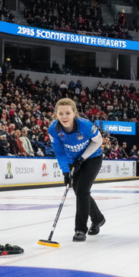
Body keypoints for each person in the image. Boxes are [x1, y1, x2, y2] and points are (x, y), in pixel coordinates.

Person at [48, 98, 106, 242]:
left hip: (92, 157)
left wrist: (82, 158)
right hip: (73, 160)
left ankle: (80, 229)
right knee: (79, 191)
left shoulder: (85, 125)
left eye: (68, 113)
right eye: (60, 113)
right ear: (56, 114)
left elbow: (98, 141)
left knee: (82, 190)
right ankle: (98, 219)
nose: (64, 117)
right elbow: (59, 152)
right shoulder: (53, 129)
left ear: (74, 113)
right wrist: (65, 171)